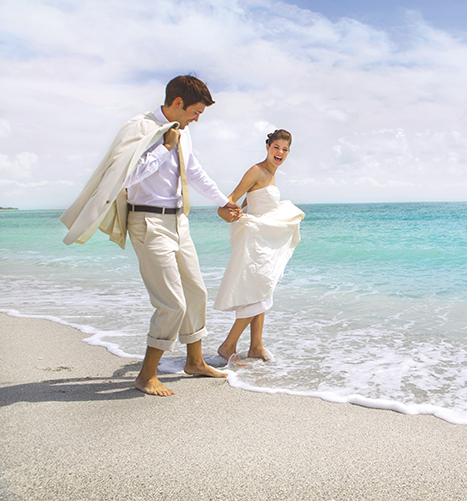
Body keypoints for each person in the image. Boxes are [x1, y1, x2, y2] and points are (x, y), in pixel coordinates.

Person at [61, 75, 241, 396]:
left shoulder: (183, 133)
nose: (197, 119)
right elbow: (127, 177)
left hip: (178, 222)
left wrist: (224, 201)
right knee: (172, 303)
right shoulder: (140, 128)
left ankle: (195, 362)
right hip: (147, 222)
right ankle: (146, 375)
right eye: (195, 112)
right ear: (177, 104)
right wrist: (164, 147)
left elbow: (194, 170)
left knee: (195, 292)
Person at [214, 130, 304, 364]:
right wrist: (229, 212)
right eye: (276, 147)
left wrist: (244, 210)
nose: (280, 153)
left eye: (285, 149)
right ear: (267, 147)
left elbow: (248, 202)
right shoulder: (257, 171)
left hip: (263, 239)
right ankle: (228, 345)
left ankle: (256, 346)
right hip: (255, 240)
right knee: (259, 292)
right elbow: (232, 198)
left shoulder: (272, 175)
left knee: (261, 289)